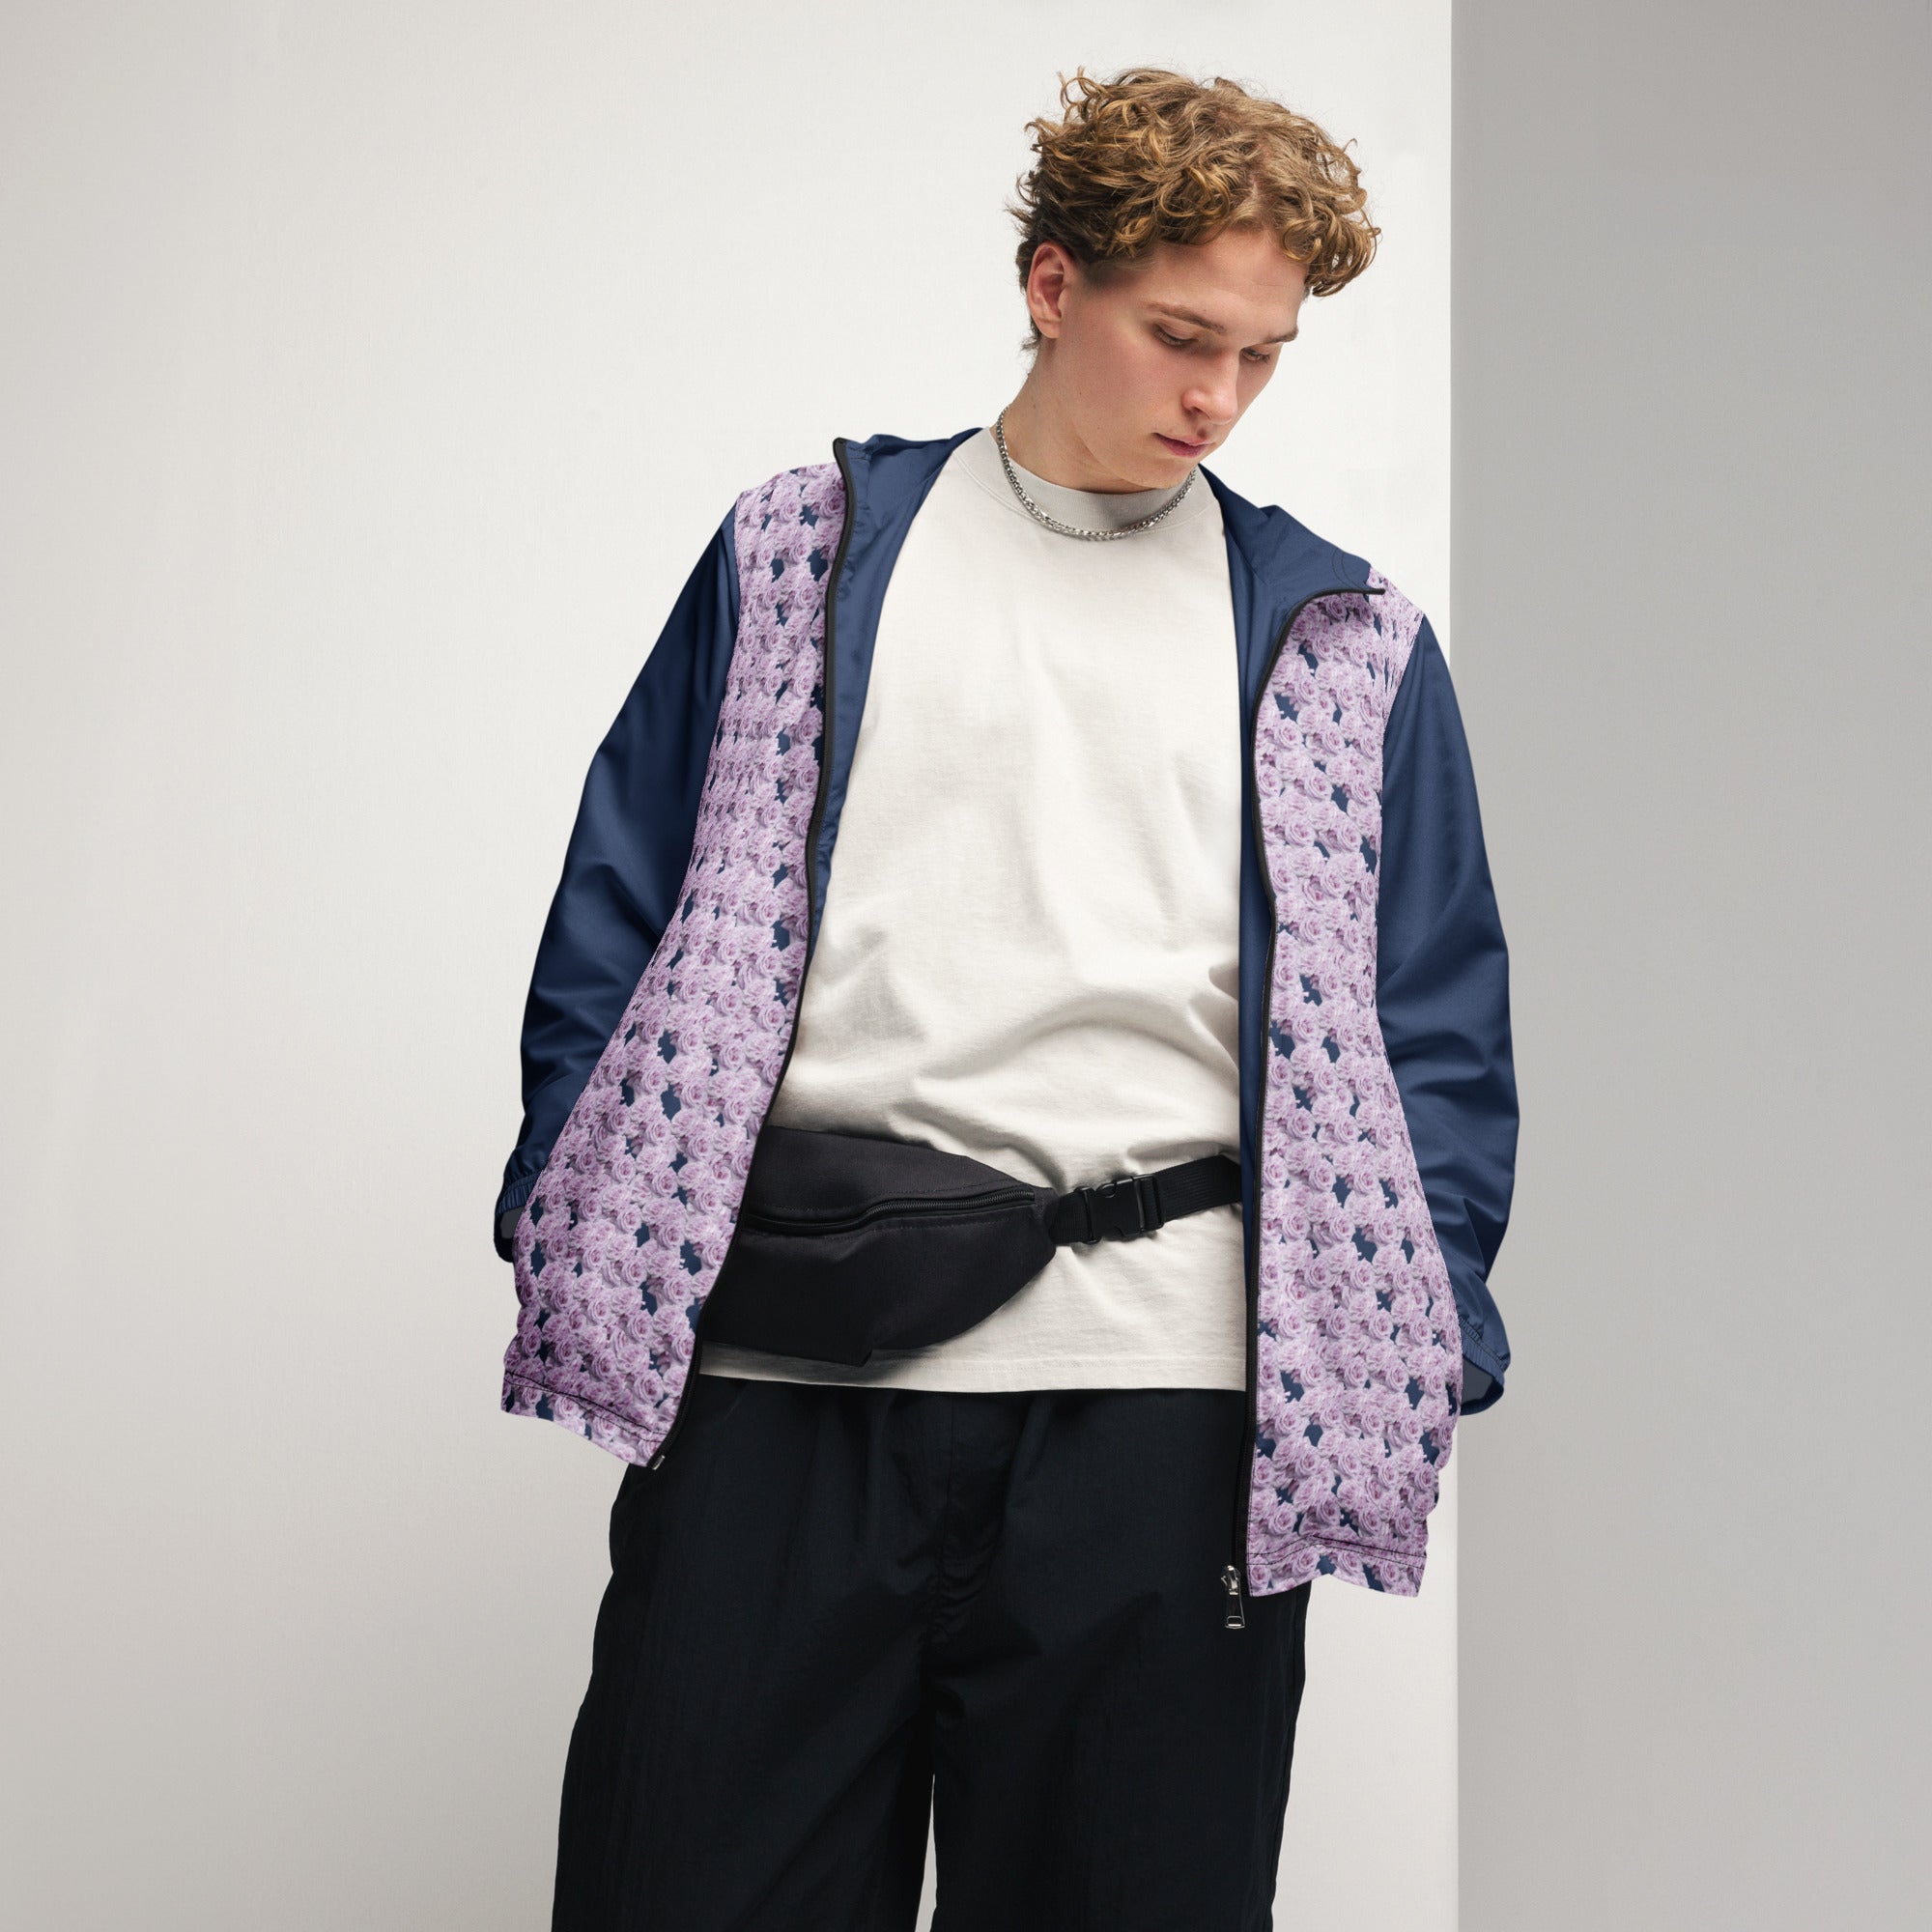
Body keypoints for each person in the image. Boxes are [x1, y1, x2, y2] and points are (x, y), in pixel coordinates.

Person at [493, 65, 1517, 1932]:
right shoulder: (805, 553)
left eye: (1263, 357)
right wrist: (591, 1191)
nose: (1218, 397)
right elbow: (616, 912)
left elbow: (1432, 1019)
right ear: (1053, 286)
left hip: (1167, 1408)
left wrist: (1421, 1303)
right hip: (793, 1369)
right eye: (1180, 336)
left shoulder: (1344, 637)